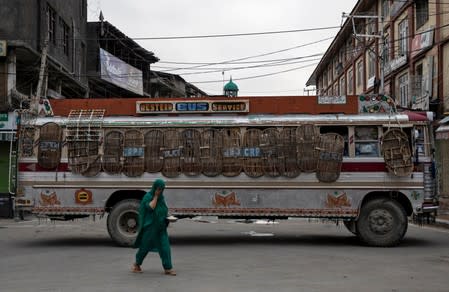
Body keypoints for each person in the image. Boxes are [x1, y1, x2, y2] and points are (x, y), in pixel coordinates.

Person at [132, 179, 176, 276]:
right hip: (150, 228)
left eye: (162, 189)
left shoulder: (162, 198)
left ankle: (168, 268)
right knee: (144, 247)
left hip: (160, 227)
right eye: (159, 189)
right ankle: (136, 265)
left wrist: (168, 216)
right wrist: (155, 196)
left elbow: (163, 209)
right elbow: (150, 207)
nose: (160, 191)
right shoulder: (148, 197)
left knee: (165, 247)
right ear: (155, 188)